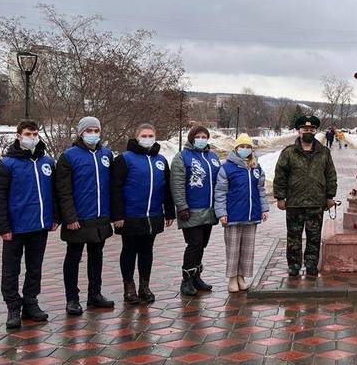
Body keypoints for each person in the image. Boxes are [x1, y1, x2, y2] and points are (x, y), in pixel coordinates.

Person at [0, 120, 59, 329]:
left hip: (39, 226)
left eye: (35, 133)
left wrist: (55, 217)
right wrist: (3, 227)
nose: (32, 137)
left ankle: (31, 302)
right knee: (11, 270)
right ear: (19, 136)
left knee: (34, 268)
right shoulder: (7, 164)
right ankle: (13, 307)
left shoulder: (47, 162)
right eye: (28, 133)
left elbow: (54, 192)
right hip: (15, 228)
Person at [55, 116, 115, 316]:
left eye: (96, 130)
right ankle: (72, 298)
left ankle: (94, 293)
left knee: (96, 256)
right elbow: (63, 191)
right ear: (81, 133)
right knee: (73, 258)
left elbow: (112, 186)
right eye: (89, 130)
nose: (93, 134)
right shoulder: (69, 156)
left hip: (100, 217)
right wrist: (70, 218)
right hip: (78, 218)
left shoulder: (106, 154)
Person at [111, 123, 175, 305]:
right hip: (131, 216)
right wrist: (117, 215)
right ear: (137, 137)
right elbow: (115, 188)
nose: (148, 139)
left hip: (153, 214)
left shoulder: (161, 160)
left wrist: (169, 212)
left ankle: (144, 286)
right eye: (144, 135)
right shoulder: (124, 159)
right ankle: (129, 287)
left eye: (151, 135)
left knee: (147, 251)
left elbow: (166, 187)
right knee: (129, 251)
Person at [274, 115, 337, 278]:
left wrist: (330, 196)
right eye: (305, 129)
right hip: (294, 203)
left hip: (316, 203)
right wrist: (280, 198)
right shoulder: (289, 152)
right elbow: (280, 175)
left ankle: (311, 264)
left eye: (311, 129)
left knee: (314, 237)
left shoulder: (324, 152)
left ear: (315, 131)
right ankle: (294, 266)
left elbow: (330, 175)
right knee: (294, 237)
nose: (308, 132)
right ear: (299, 131)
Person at [214, 133, 269, 293]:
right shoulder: (227, 167)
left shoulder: (256, 167)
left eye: (248, 147)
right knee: (233, 249)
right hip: (233, 215)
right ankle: (232, 279)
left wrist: (264, 208)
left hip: (251, 215)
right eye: (242, 147)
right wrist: (221, 212)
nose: (245, 149)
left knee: (247, 249)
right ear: (236, 148)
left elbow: (260, 190)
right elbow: (220, 192)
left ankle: (242, 277)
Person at [171, 125, 221, 296]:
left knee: (202, 245)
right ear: (192, 138)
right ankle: (186, 280)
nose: (201, 139)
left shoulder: (212, 156)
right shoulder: (182, 157)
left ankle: (196, 276)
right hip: (191, 210)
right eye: (198, 136)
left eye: (204, 136)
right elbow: (177, 184)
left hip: (209, 210)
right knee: (194, 244)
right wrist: (182, 206)